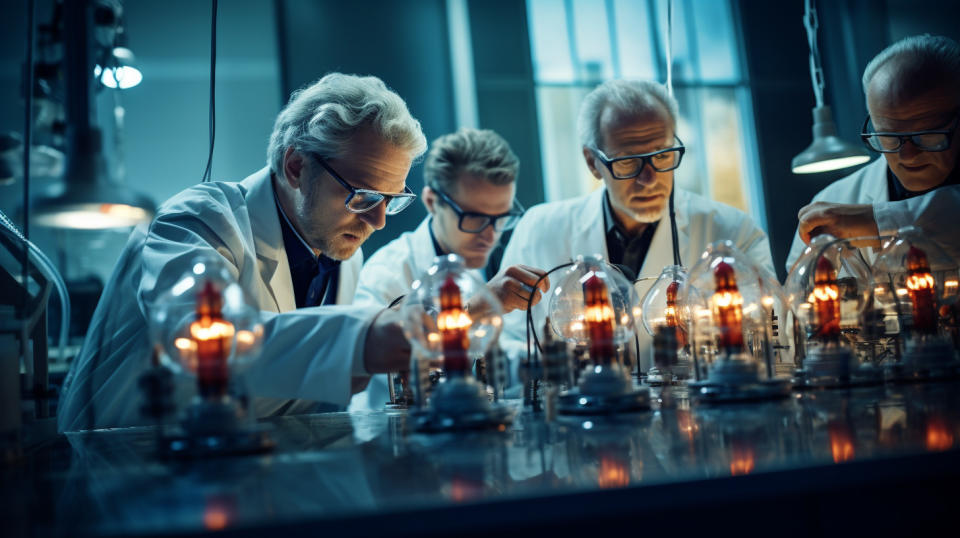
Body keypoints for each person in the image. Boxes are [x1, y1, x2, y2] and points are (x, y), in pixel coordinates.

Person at [58, 73, 428, 431]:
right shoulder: (199, 221)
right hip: (125, 462)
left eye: (391, 200)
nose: (378, 222)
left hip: (248, 466)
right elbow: (197, 340)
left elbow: (307, 393)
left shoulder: (343, 253)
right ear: (296, 166)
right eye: (362, 196)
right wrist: (362, 338)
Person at [498, 79, 775, 372]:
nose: (650, 178)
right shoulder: (539, 229)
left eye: (662, 155)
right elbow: (507, 341)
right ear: (592, 162)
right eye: (628, 161)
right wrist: (557, 366)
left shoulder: (733, 231)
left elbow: (772, 332)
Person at [350, 127, 548, 409]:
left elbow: (493, 357)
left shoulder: (475, 263)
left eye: (501, 218)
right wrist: (475, 309)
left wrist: (545, 362)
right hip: (395, 438)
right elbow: (382, 362)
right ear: (432, 202)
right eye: (474, 217)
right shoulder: (389, 273)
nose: (490, 235)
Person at [787, 35, 960, 270]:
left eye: (927, 134)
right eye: (889, 136)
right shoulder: (835, 200)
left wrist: (877, 222)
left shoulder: (839, 216)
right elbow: (796, 298)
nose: (908, 155)